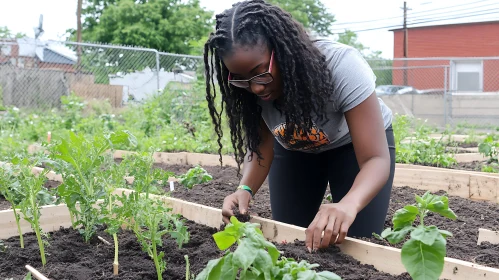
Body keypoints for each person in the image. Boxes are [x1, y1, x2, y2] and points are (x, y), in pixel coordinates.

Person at [203, 0, 395, 252]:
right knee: (291, 241)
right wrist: (245, 189)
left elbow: (375, 159)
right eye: (241, 79)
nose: (256, 87)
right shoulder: (250, 88)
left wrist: (348, 204)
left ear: (281, 50)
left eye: (260, 72)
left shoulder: (341, 65)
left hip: (353, 148)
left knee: (357, 244)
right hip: (295, 150)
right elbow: (262, 145)